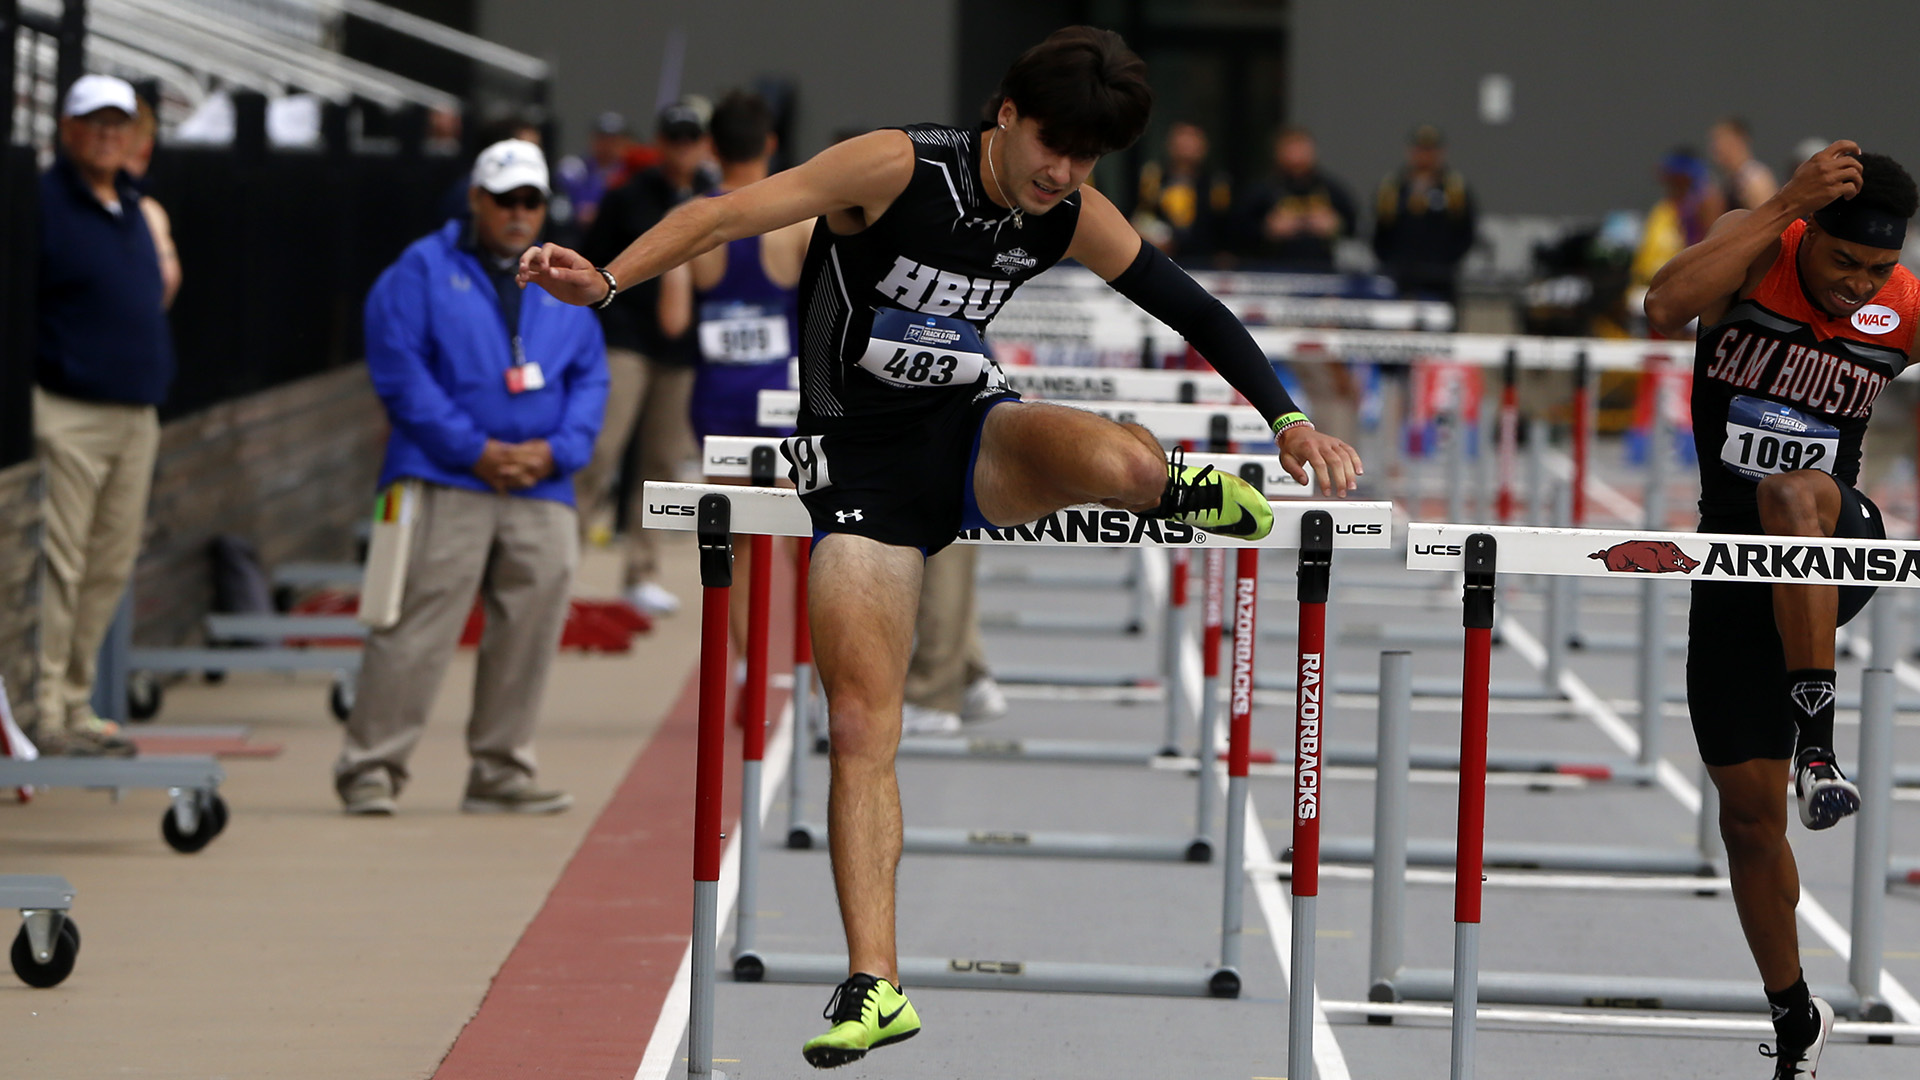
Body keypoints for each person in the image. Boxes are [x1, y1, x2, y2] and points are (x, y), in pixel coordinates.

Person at [520, 26, 1361, 1068]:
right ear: (1006, 115)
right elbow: (727, 213)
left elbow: (1190, 306)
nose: (1064, 175)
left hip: (972, 437)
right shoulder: (894, 167)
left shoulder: (1071, 215)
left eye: (1088, 161)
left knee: (1127, 469)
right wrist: (607, 282)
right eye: (1053, 146)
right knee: (865, 721)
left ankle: (1173, 483)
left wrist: (1286, 421)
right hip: (858, 473)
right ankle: (876, 985)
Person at [1644, 141, 1919, 1079]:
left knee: (1797, 492)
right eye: (1844, 262)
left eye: (1877, 270)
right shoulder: (1755, 249)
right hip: (1733, 562)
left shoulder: (1903, 304)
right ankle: (1794, 1011)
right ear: (1808, 232)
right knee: (1752, 824)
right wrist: (1783, 202)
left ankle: (1817, 741)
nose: (1858, 287)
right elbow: (1661, 305)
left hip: (1839, 538)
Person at [333, 139, 608, 816]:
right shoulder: (420, 270)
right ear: (477, 199)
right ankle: (372, 767)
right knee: (417, 625)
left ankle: (501, 771)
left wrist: (557, 451)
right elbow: (399, 372)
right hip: (444, 476)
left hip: (540, 483)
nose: (519, 213)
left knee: (533, 624)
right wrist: (473, 447)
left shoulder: (564, 276)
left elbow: (590, 376)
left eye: (531, 201)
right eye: (506, 199)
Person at [32, 75, 176, 758]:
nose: (107, 135)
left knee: (109, 565)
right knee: (61, 564)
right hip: (69, 408)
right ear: (67, 129)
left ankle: (76, 702)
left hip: (135, 411)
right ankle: (45, 706)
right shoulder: (42, 202)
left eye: (119, 124)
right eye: (94, 123)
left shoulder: (133, 204)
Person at [657, 90, 807, 655]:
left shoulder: (686, 221)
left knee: (734, 537)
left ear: (711, 149)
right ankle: (821, 672)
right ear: (770, 145)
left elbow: (673, 322)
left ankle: (748, 665)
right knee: (806, 535)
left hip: (718, 397)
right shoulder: (798, 220)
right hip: (785, 397)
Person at [575, 100, 715, 616]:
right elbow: (593, 264)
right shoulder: (628, 197)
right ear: (659, 143)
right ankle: (562, 560)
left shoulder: (714, 197)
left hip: (680, 349)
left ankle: (642, 569)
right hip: (628, 338)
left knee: (661, 465)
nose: (682, 149)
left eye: (691, 139)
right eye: (674, 138)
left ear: (704, 143)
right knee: (600, 448)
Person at [1372, 124, 1477, 305]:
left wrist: (1445, 264)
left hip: (1440, 280)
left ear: (1440, 153)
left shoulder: (1455, 189)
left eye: (1430, 150)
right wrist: (1393, 265)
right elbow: (1379, 232)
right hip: (1398, 278)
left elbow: (1466, 232)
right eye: (1420, 150)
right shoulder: (1392, 188)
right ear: (1410, 152)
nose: (1425, 157)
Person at [1233, 126, 1357, 272]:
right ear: (1278, 153)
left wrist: (1335, 226)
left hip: (1322, 270)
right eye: (1291, 149)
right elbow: (1237, 231)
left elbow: (1352, 224)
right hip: (1271, 271)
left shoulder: (1331, 190)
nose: (1297, 156)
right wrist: (1266, 230)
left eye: (1302, 149)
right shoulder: (1261, 191)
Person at [1130, 121, 1231, 262]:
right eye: (1182, 140)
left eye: (1193, 140)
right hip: (1160, 259)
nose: (1186, 146)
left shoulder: (1216, 184)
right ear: (1169, 144)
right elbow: (1139, 216)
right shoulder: (1152, 178)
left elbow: (1224, 225)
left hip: (1204, 261)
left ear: (1204, 146)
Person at [554, 111, 633, 229]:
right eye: (602, 138)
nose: (607, 145)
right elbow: (560, 206)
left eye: (613, 140)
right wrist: (578, 211)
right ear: (593, 139)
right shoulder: (575, 168)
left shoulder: (630, 175)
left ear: (624, 142)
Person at [1712, 116, 1780, 213]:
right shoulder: (1730, 181)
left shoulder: (1755, 179)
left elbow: (1767, 218)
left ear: (1739, 141)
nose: (1716, 148)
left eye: (1721, 141)